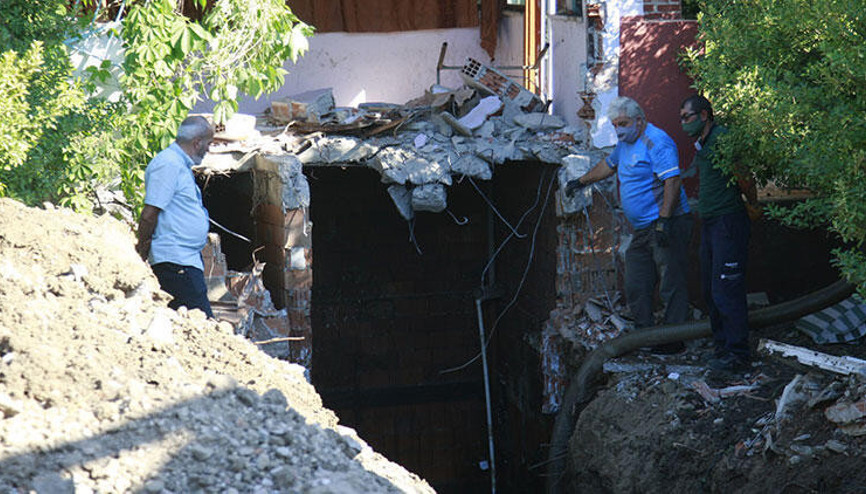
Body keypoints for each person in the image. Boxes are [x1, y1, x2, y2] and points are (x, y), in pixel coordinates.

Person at [566, 97, 693, 352]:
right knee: (637, 281)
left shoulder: (656, 141)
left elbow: (672, 181)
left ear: (639, 120)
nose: (619, 129)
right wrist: (580, 182)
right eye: (615, 125)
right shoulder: (625, 144)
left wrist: (665, 221)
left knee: (671, 281)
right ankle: (644, 336)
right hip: (643, 228)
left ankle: (674, 340)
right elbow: (607, 165)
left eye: (623, 123)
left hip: (666, 222)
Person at [680, 94, 756, 372]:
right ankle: (722, 348)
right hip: (710, 223)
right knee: (711, 289)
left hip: (729, 221)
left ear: (703, 116)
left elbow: (743, 175)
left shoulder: (722, 138)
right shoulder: (703, 143)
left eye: (686, 117)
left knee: (727, 287)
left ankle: (738, 354)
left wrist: (754, 204)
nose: (683, 123)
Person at [136, 115, 214, 318]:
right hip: (176, 262)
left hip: (184, 261)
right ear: (197, 143)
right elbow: (149, 214)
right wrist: (142, 248)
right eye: (208, 144)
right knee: (202, 324)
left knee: (196, 322)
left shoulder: (178, 164)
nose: (208, 149)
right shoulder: (168, 164)